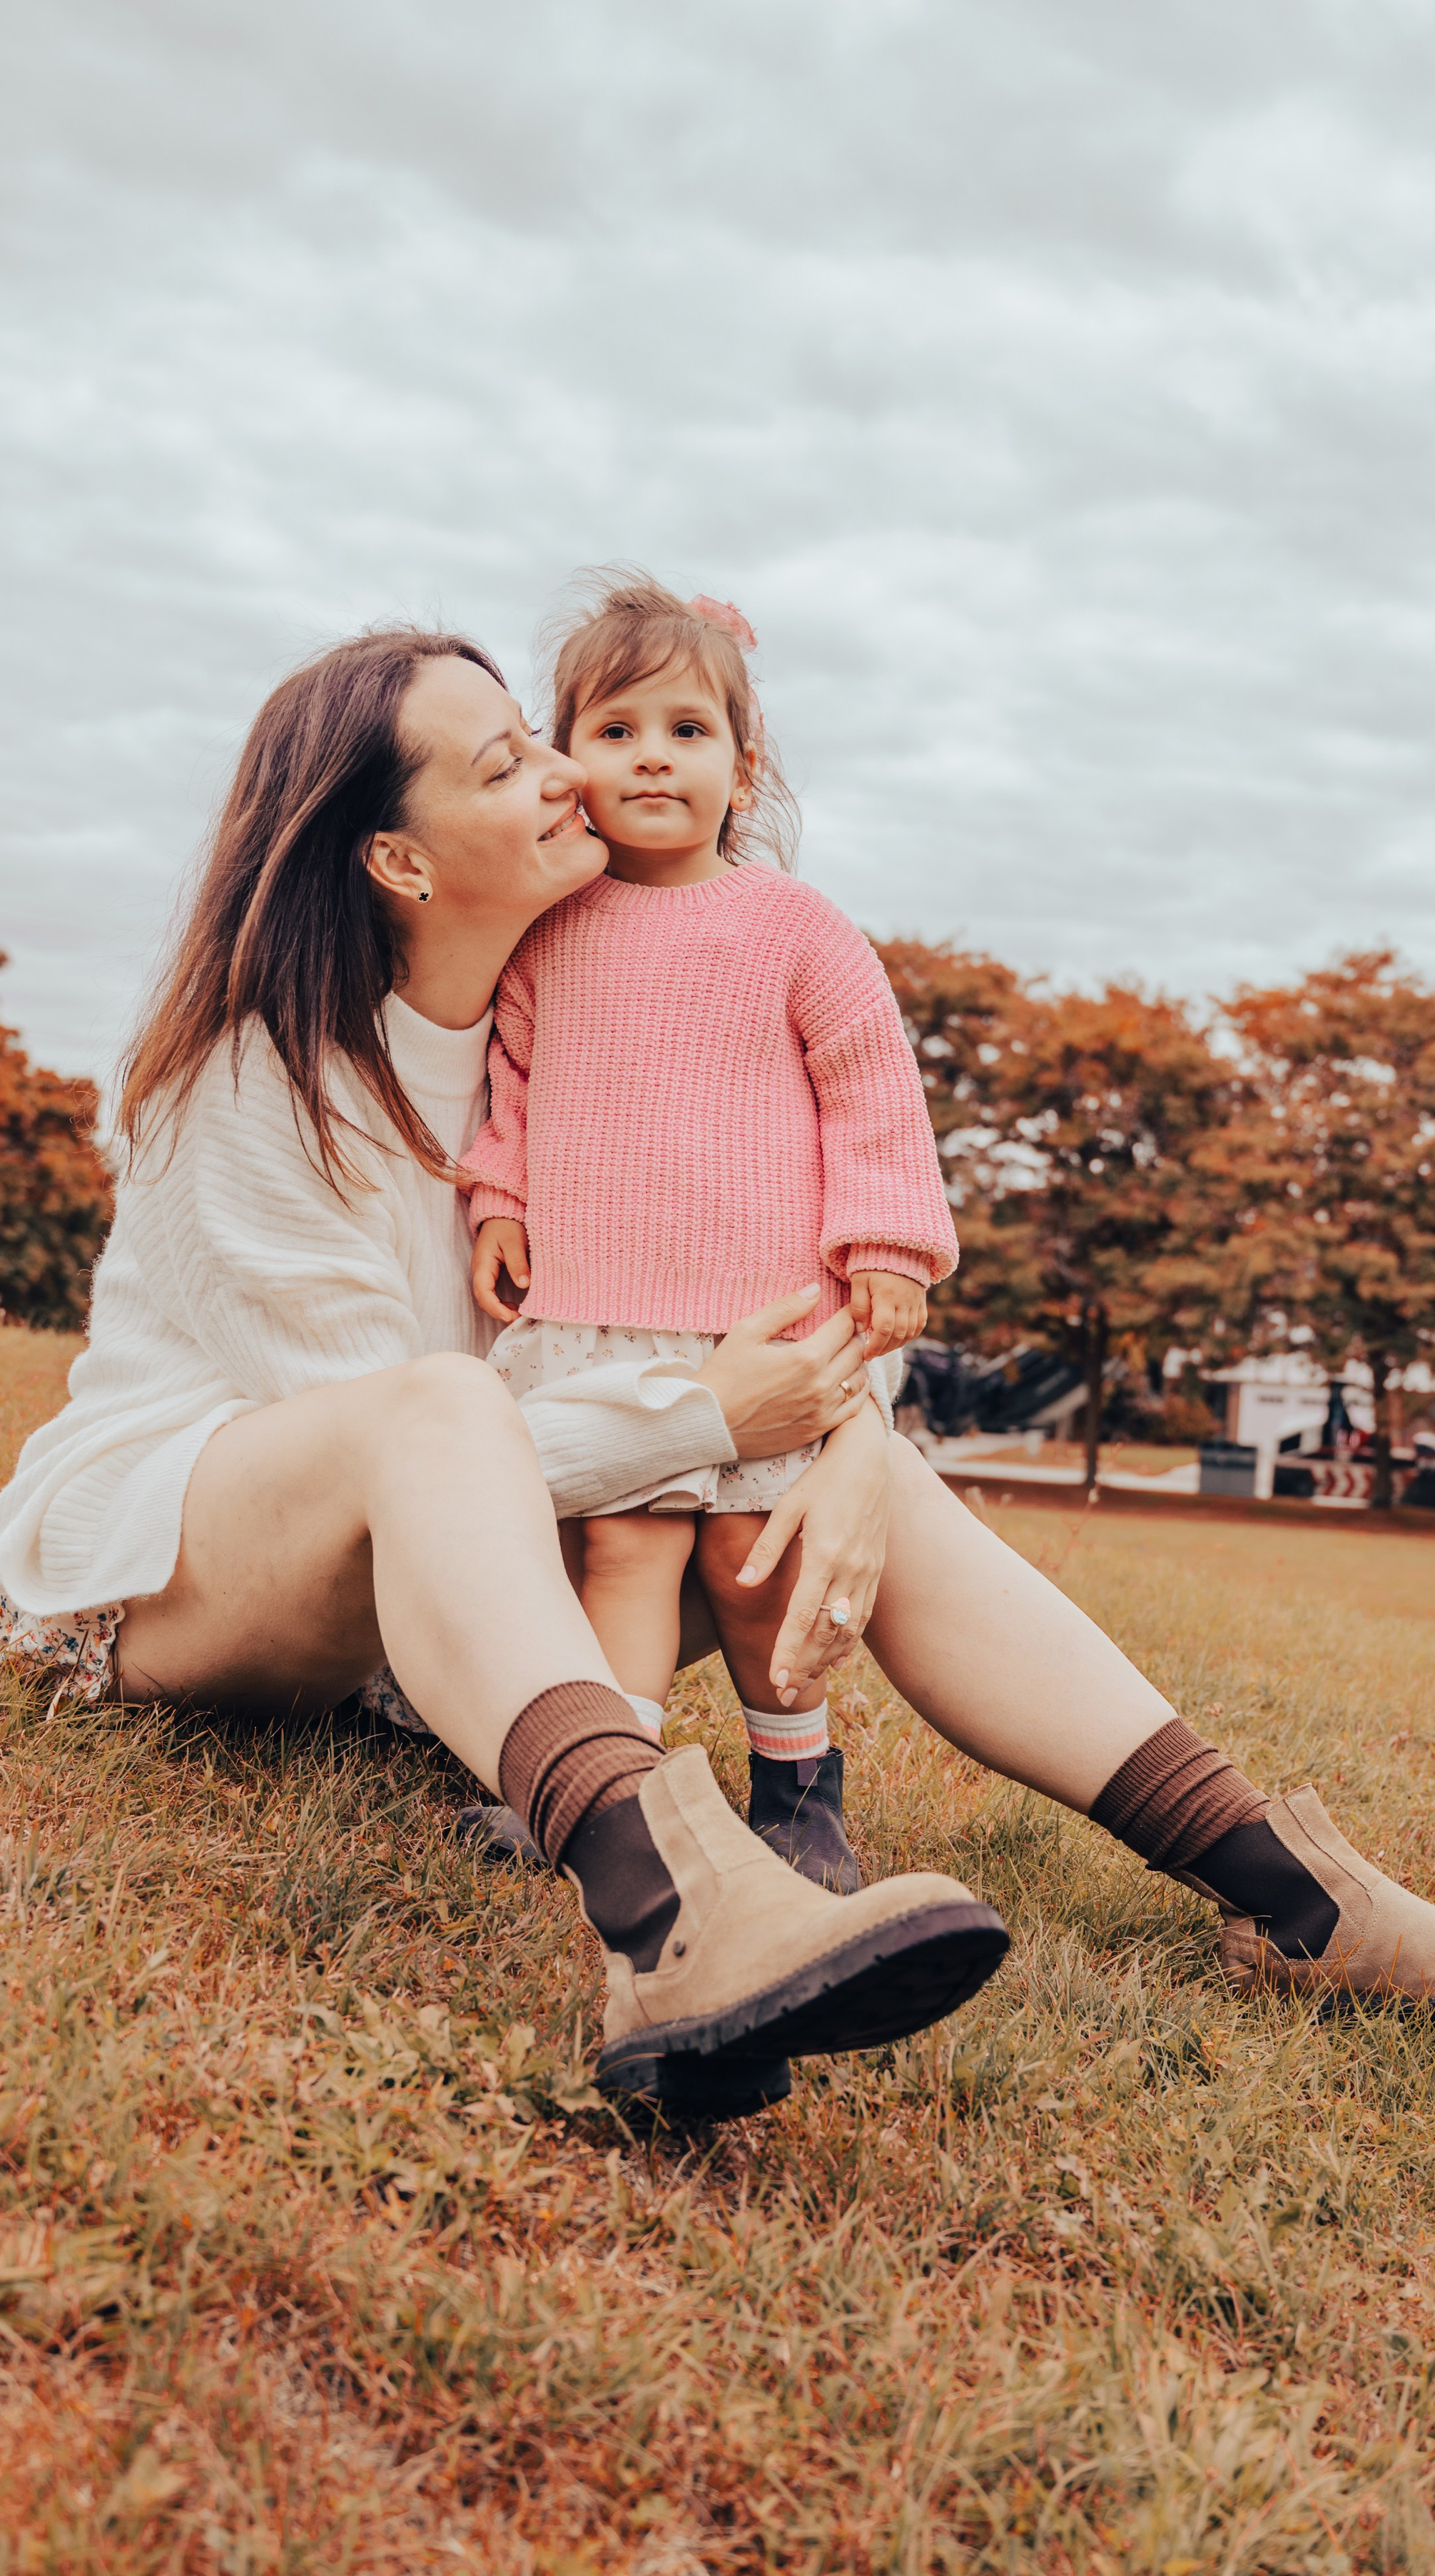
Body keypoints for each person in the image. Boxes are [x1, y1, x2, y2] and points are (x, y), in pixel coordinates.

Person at [0, 625, 1435, 2128]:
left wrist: (838, 1434)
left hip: (434, 1615)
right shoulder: (257, 1077)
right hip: (178, 1574)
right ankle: (674, 1915)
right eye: (503, 765)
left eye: (541, 739)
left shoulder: (558, 1033)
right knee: (440, 1405)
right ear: (396, 855)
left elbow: (754, 1275)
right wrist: (709, 1418)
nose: (564, 773)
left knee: (859, 1472)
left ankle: (1297, 1895)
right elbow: (426, 1461)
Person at [464, 577, 956, 1895]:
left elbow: (869, 1086)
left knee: (752, 1564)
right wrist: (497, 1198)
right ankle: (599, 1788)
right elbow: (511, 1077)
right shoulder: (547, 923)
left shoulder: (792, 924)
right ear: (567, 757)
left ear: (744, 767)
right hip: (597, 1308)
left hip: (762, 1315)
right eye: (616, 730)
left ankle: (798, 1790)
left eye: (687, 731)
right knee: (620, 1553)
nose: (652, 758)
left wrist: (890, 1250)